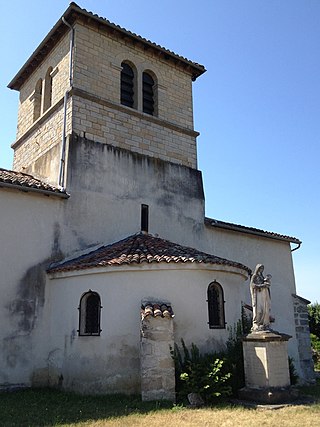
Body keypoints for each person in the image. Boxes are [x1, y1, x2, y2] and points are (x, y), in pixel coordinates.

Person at [250, 264, 271, 331]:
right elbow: (252, 285)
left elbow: (265, 283)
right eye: (260, 268)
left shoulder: (262, 277)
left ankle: (264, 323)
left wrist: (267, 282)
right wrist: (261, 286)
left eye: (262, 269)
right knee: (258, 310)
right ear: (258, 269)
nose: (261, 270)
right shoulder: (254, 276)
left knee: (265, 309)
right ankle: (257, 324)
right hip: (257, 295)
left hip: (263, 295)